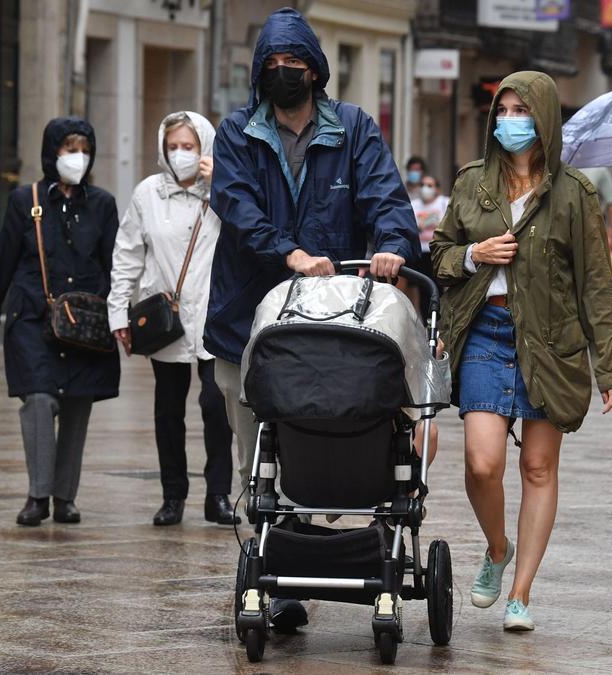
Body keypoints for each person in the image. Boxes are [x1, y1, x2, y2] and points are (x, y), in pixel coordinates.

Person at [206, 7, 419, 632]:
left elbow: (386, 197)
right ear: (257, 73)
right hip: (249, 320)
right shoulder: (238, 131)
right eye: (271, 66)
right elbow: (236, 205)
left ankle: (357, 543)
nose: (282, 74)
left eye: (293, 64)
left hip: (336, 327)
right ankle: (278, 573)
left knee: (342, 430)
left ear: (317, 71)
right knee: (259, 457)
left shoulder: (353, 129)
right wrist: (288, 252)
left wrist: (391, 246)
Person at [431, 71, 612, 632]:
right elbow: (441, 256)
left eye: (522, 110)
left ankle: (521, 594)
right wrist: (475, 253)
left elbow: (596, 282)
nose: (510, 120)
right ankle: (498, 549)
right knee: (482, 461)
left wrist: (611, 361)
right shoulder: (473, 182)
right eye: (503, 109)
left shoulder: (575, 193)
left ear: (544, 118)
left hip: (551, 341)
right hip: (486, 336)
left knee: (538, 466)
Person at [0, 117, 120, 526]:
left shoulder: (103, 204)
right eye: (68, 149)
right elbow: (2, 263)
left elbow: (116, 266)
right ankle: (38, 495)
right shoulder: (26, 200)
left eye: (83, 150)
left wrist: (117, 314)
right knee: (38, 399)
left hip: (86, 323)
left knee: (76, 404)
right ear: (51, 152)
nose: (77, 158)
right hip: (33, 317)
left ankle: (64, 497)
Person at [107, 111, 238, 527]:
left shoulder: (224, 188)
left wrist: (223, 181)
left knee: (216, 406)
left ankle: (218, 494)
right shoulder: (148, 194)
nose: (181, 153)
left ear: (205, 147)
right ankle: (172, 496)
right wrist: (118, 311)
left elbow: (249, 227)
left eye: (189, 146)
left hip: (213, 317)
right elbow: (127, 254)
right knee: (167, 411)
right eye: (174, 146)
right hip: (165, 318)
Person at [410, 173, 451, 280]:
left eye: (429, 185)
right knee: (420, 284)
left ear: (437, 189)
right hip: (420, 252)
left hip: (438, 251)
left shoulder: (445, 203)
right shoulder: (413, 205)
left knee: (438, 282)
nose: (425, 188)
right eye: (422, 185)